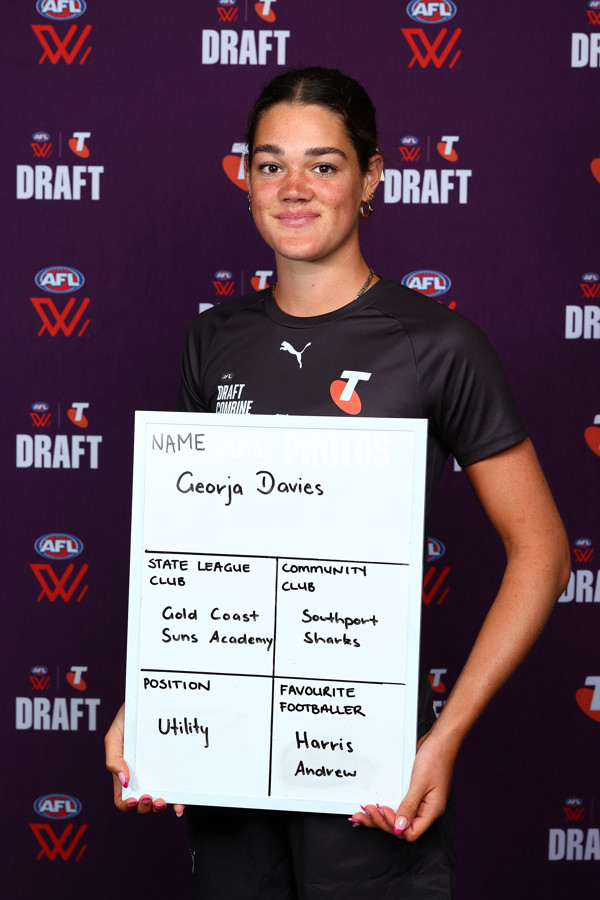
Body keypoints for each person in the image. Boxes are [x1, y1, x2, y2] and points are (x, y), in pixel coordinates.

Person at [105, 67, 570, 898]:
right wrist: (152, 699)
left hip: (371, 778)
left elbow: (540, 550)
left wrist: (445, 736)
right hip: (228, 768)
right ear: (245, 179)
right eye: (270, 163)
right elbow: (191, 547)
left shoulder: (438, 344)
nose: (293, 189)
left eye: (323, 165)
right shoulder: (212, 340)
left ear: (372, 177)